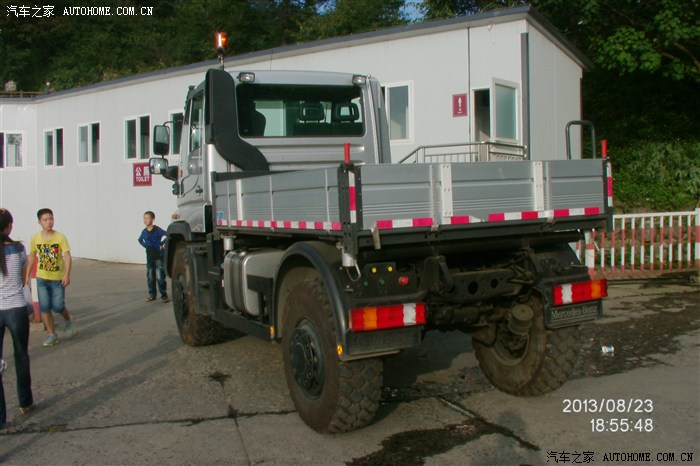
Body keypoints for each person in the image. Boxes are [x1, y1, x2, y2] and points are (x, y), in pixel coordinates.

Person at [0, 208, 35, 429]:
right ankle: (25, 402)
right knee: (21, 356)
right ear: (9, 226)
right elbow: (23, 278)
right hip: (16, 309)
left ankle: (0, 417)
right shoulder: (19, 249)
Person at [25, 208, 76, 347]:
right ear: (39, 222)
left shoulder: (60, 237)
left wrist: (66, 274)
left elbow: (67, 256)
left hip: (57, 278)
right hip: (41, 278)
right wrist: (27, 274)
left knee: (58, 306)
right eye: (45, 220)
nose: (49, 222)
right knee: (45, 307)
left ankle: (68, 320)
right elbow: (32, 256)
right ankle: (52, 335)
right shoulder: (35, 238)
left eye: (51, 219)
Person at [138, 211, 168, 303]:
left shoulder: (157, 230)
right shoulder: (144, 231)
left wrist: (162, 244)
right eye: (144, 218)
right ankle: (152, 295)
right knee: (150, 277)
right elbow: (140, 240)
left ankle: (164, 295)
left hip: (159, 257)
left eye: (147, 218)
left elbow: (168, 235)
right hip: (150, 258)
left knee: (160, 277)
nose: (145, 220)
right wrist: (146, 246)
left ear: (153, 219)